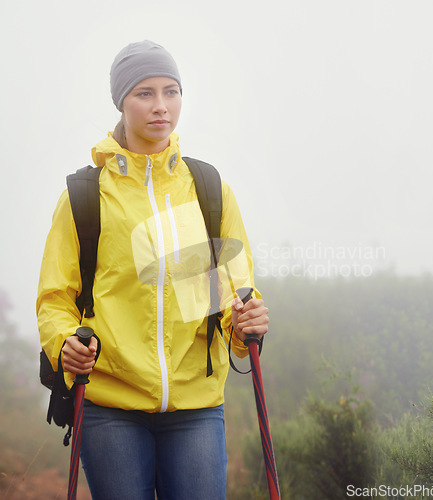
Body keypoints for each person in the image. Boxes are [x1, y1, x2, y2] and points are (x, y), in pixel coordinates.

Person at [37, 40, 269, 500]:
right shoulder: (85, 196)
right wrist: (64, 343)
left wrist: (246, 325)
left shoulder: (206, 188)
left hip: (196, 404)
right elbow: (57, 298)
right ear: (121, 102)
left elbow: (231, 296)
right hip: (110, 404)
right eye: (145, 93)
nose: (161, 106)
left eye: (171, 91)